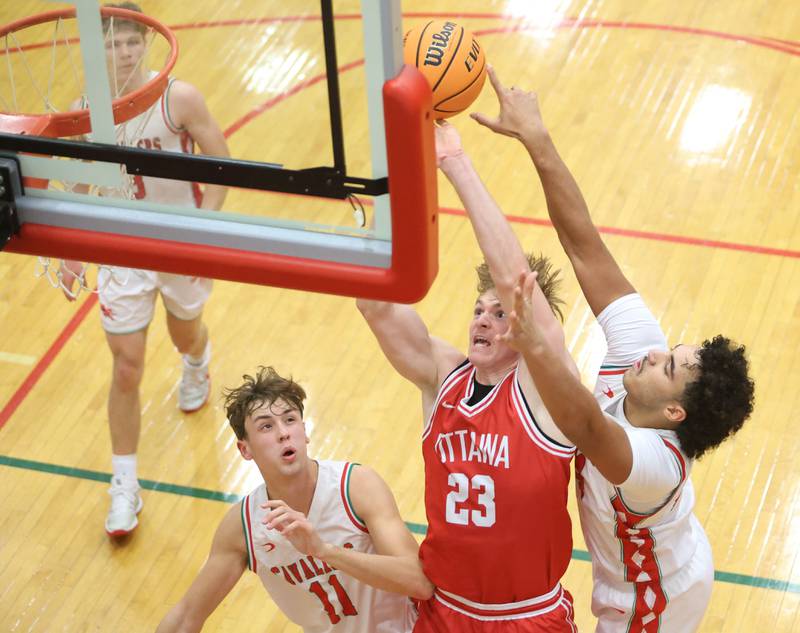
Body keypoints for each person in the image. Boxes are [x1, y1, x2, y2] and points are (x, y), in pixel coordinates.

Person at [473, 67, 755, 632]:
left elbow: (582, 422)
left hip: (649, 601)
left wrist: (534, 343)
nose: (654, 354)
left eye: (668, 366)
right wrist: (537, 138)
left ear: (674, 412)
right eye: (669, 350)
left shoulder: (654, 463)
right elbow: (584, 247)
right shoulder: (641, 359)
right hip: (675, 556)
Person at [357, 123, 579, 630]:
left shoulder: (543, 391)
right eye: (479, 310)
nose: (482, 319)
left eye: (500, 314)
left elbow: (515, 280)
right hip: (443, 610)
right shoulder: (443, 376)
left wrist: (455, 162)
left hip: (523, 617)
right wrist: (394, 193)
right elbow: (373, 304)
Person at [59, 2, 231, 537]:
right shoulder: (86, 109)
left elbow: (223, 163)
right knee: (127, 365)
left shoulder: (178, 96)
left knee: (184, 338)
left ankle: (198, 360)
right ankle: (124, 486)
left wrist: (203, 230)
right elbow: (82, 183)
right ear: (99, 49)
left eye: (133, 40)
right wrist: (70, 248)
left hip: (179, 244)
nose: (126, 50)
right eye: (114, 43)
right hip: (123, 249)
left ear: (149, 42)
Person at [156, 366, 432, 633]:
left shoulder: (356, 486)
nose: (283, 432)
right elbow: (185, 618)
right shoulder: (244, 528)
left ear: (305, 430)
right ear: (245, 449)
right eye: (266, 427)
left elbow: (419, 581)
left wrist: (324, 551)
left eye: (290, 419)